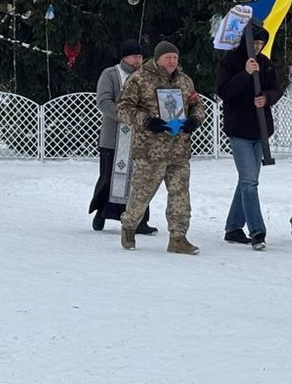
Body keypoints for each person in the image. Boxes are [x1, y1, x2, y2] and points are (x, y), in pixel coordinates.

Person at [116, 41, 206, 255]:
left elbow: (197, 104)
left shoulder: (184, 81)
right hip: (150, 151)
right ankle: (129, 226)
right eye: (168, 57)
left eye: (175, 57)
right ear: (157, 59)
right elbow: (122, 108)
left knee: (180, 194)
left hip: (179, 149)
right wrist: (146, 121)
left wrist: (195, 119)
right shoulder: (139, 79)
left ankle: (178, 237)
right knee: (141, 194)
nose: (172, 62)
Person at [215, 23, 283, 250]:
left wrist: (266, 97)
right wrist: (245, 74)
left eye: (260, 43)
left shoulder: (265, 63)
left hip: (260, 130)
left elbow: (276, 89)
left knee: (247, 180)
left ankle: (233, 227)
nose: (257, 47)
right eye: (254, 43)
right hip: (239, 130)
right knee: (249, 182)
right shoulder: (230, 61)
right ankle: (257, 231)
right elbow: (224, 92)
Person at [88, 39, 156, 234]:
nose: (138, 60)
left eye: (140, 56)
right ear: (125, 57)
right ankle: (101, 213)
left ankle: (140, 220)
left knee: (140, 179)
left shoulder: (146, 77)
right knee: (109, 178)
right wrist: (126, 116)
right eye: (135, 56)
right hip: (113, 138)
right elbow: (103, 101)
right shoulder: (110, 74)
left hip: (140, 138)